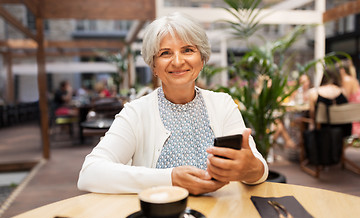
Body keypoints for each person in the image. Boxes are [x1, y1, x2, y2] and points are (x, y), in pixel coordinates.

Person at [77, 12, 268, 195]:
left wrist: (250, 169)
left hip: (221, 214)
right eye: (166, 53)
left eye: (187, 50)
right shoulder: (136, 112)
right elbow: (89, 174)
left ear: (202, 60)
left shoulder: (223, 104)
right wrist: (169, 178)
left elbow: (259, 170)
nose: (177, 61)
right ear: (154, 66)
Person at [308, 66, 352, 137]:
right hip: (342, 133)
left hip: (322, 132)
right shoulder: (343, 92)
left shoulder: (314, 93)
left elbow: (312, 115)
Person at [338, 59, 360, 136]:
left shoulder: (346, 79)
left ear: (342, 70)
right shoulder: (352, 79)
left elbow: (344, 98)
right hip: (355, 112)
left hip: (353, 114)